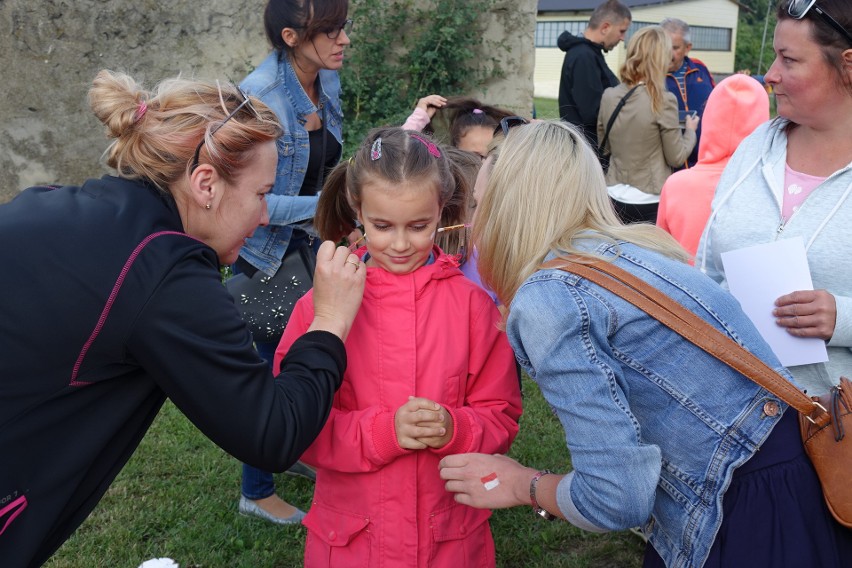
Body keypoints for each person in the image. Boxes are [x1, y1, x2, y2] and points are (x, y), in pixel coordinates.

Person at [437, 119, 852, 568]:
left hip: (739, 512)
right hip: (793, 478)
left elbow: (616, 496)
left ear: (511, 210)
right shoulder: (636, 251)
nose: (473, 223)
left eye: (480, 205)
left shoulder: (550, 297)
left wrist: (520, 483)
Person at [0, 70, 366, 568]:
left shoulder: (53, 202)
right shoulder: (164, 271)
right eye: (261, 194)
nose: (264, 217)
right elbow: (274, 431)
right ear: (206, 184)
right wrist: (329, 321)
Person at [276, 127, 523, 567]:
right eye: (383, 226)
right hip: (354, 543)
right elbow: (294, 424)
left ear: (442, 211)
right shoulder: (319, 308)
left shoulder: (474, 308)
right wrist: (382, 433)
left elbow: (500, 414)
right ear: (358, 211)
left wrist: (457, 428)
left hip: (449, 542)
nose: (402, 243)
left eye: (419, 226)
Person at [233, 0, 352, 525]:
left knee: (301, 358)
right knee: (264, 374)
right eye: (329, 31)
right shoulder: (258, 96)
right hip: (267, 256)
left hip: (308, 246)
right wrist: (331, 206)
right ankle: (255, 491)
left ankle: (296, 451)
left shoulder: (325, 81)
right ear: (289, 36)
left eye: (343, 27)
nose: (343, 39)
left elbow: (326, 159)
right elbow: (251, 203)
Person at [696, 0, 852, 397]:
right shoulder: (755, 148)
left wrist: (844, 318)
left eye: (789, 59)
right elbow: (709, 271)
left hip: (832, 432)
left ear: (848, 64)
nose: (770, 75)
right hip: (726, 414)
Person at [657, 73, 769, 262]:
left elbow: (661, 255)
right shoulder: (772, 188)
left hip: (683, 289)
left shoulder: (676, 185)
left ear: (709, 117)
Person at [598, 25, 698, 224]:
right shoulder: (663, 100)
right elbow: (676, 157)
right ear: (660, 57)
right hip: (649, 200)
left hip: (612, 195)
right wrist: (690, 132)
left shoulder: (609, 95)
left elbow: (606, 146)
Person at [557, 0, 631, 150]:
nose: (622, 38)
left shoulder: (590, 53)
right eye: (622, 31)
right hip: (586, 150)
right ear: (605, 27)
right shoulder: (583, 56)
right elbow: (593, 112)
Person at [661, 17, 716, 170]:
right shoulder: (651, 76)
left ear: (687, 47)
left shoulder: (700, 69)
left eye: (675, 48)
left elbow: (715, 104)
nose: (668, 53)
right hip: (669, 165)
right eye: (664, 47)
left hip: (702, 162)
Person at [402, 95, 515, 159]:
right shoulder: (444, 187)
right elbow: (395, 152)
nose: (484, 164)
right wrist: (418, 119)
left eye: (492, 157)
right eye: (476, 157)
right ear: (455, 152)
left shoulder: (502, 190)